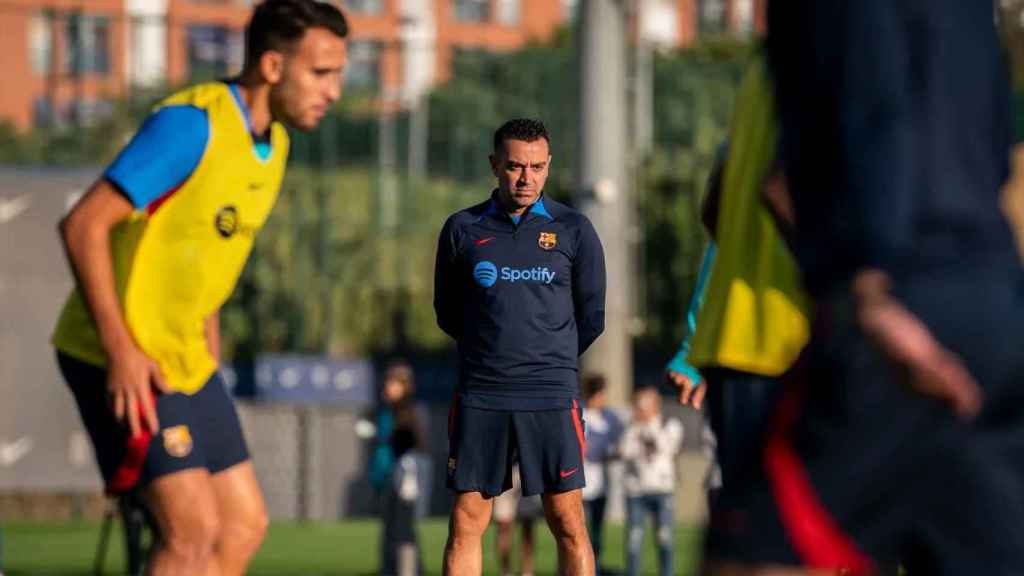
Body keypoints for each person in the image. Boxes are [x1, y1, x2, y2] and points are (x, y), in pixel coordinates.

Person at [706, 1, 1024, 575]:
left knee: (752, 555)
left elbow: (877, 113)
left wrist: (865, 287)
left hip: (897, 311)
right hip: (991, 304)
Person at [49, 2, 348, 574]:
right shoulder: (193, 125)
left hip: (187, 361)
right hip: (119, 354)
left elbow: (206, 256)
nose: (334, 90)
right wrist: (121, 351)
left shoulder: (275, 145)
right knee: (190, 534)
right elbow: (83, 225)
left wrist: (208, 347)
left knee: (242, 526)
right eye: (321, 73)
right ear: (272, 66)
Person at [435, 118, 606, 576]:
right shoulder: (462, 230)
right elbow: (447, 313)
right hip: (483, 393)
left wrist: (546, 357)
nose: (526, 178)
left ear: (549, 167)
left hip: (551, 393)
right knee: (467, 522)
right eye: (514, 167)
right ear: (495, 166)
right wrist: (494, 352)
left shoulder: (575, 230)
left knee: (568, 521)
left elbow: (591, 317)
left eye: (536, 167)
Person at [370, 361, 429, 576]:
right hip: (388, 474)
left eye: (394, 383)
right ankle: (390, 568)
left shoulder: (410, 410)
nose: (388, 387)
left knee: (404, 529)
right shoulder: (385, 410)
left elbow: (413, 443)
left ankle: (409, 570)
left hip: (405, 475)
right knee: (390, 528)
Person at [620, 387, 684, 576]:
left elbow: (667, 448)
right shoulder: (631, 427)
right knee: (634, 540)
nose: (640, 409)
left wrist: (651, 425)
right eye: (638, 404)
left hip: (662, 490)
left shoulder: (669, 425)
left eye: (644, 404)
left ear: (656, 405)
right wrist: (635, 427)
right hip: (636, 491)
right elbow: (625, 452)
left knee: (665, 539)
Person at [580, 374, 624, 574]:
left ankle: (594, 568)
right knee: (576, 532)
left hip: (600, 484)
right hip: (579, 484)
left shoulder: (610, 418)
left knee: (596, 533)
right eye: (601, 394)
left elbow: (618, 445)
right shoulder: (579, 414)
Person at [492, 466, 542, 576]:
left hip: (527, 467)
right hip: (503, 467)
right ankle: (505, 572)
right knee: (504, 526)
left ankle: (527, 572)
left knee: (527, 526)